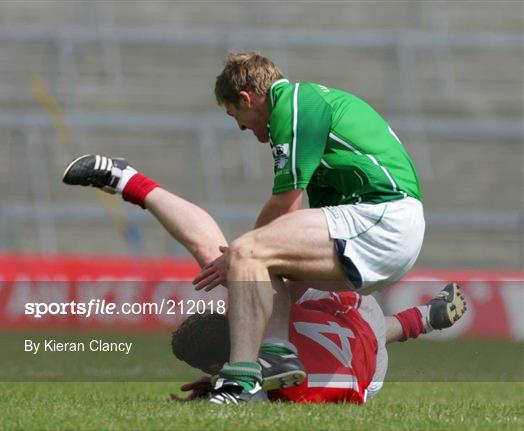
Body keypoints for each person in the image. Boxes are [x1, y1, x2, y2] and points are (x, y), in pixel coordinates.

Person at [63, 51, 426, 403]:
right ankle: (126, 179)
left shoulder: (296, 102)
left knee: (244, 255)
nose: (240, 127)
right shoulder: (315, 120)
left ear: (246, 98)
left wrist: (243, 257)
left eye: (235, 115)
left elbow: (286, 203)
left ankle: (242, 379)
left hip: (383, 220)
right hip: (373, 237)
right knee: (236, 264)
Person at [170, 283, 467, 404]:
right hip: (359, 320)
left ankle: (423, 318)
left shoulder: (254, 395)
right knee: (280, 287)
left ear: (212, 365)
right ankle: (424, 317)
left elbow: (240, 397)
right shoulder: (257, 312)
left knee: (363, 338)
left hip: (366, 381)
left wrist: (220, 383)